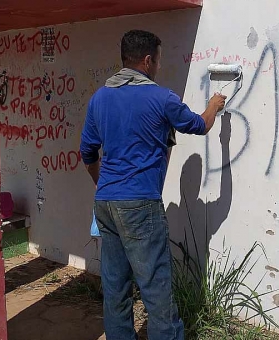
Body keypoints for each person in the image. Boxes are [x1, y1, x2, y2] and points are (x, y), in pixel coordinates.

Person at [79, 30, 226, 340]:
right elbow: (200, 125)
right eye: (158, 60)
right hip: (140, 205)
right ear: (147, 60)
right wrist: (214, 104)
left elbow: (88, 153)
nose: (158, 66)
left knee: (116, 286)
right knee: (156, 289)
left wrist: (100, 184)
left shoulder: (99, 98)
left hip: (106, 204)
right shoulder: (161, 98)